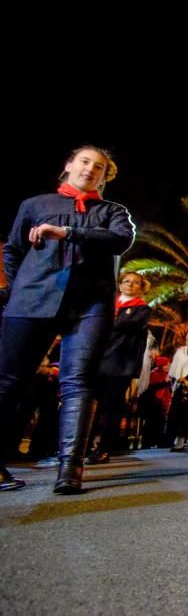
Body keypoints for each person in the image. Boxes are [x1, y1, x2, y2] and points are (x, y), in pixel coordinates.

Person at [0, 145, 135, 493]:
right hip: (31, 302)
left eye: (100, 166)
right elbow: (13, 250)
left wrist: (68, 233)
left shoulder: (111, 211)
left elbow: (121, 240)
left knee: (78, 381)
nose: (91, 169)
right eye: (85, 161)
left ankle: (70, 468)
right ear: (69, 165)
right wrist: (19, 292)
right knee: (9, 381)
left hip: (89, 306)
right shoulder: (34, 205)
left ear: (105, 177)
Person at [89, 271, 152, 463]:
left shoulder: (142, 309)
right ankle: (83, 445)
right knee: (90, 407)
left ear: (142, 287)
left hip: (119, 364)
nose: (130, 285)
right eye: (126, 281)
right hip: (97, 362)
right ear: (120, 284)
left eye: (136, 283)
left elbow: (121, 326)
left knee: (110, 408)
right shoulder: (109, 305)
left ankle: (104, 448)